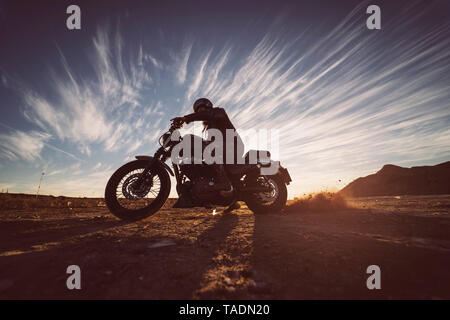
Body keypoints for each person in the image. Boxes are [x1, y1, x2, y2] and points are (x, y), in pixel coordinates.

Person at [173, 98, 243, 211]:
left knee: (195, 141)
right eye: (198, 111)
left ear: (208, 109)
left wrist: (186, 119)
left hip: (233, 146)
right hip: (221, 149)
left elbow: (207, 116)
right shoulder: (209, 127)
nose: (200, 113)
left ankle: (224, 183)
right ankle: (218, 196)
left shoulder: (219, 112)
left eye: (202, 110)